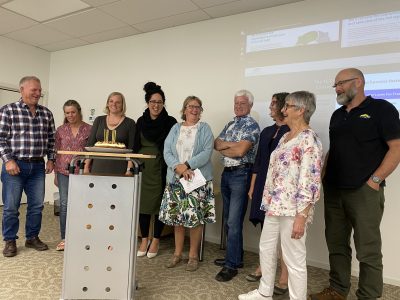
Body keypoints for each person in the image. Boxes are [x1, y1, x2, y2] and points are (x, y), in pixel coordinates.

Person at [309, 68, 400, 300]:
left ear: (358, 82)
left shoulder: (382, 109)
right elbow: (335, 150)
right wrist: (320, 177)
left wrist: (375, 181)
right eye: (335, 85)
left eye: (340, 83)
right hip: (334, 189)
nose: (337, 88)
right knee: (337, 244)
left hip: (364, 191)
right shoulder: (338, 115)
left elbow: (396, 147)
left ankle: (368, 296)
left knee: (367, 249)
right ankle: (338, 290)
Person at [239, 91, 323, 300]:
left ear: (301, 110)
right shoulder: (286, 136)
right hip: (274, 205)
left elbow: (310, 181)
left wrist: (302, 217)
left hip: (293, 210)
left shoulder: (309, 140)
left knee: (294, 258)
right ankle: (264, 292)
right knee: (266, 248)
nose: (283, 110)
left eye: (288, 106)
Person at [0, 76, 56, 257]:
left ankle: (32, 237)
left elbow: (51, 140)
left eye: (39, 90)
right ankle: (10, 240)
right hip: (15, 166)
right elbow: (0, 138)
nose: (38, 93)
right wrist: (8, 160)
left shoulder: (46, 113)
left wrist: (51, 159)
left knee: (36, 206)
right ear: (21, 90)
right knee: (10, 207)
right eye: (34, 90)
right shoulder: (8, 111)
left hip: (38, 166)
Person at [159, 96, 215, 272]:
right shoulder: (175, 128)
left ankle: (192, 256)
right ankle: (177, 254)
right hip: (176, 179)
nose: (194, 109)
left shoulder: (204, 128)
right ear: (184, 109)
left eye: (198, 107)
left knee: (195, 220)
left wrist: (188, 166)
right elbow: (167, 151)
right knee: (177, 220)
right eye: (190, 106)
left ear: (201, 111)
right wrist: (179, 168)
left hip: (196, 181)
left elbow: (207, 152)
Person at [214, 90, 260, 282]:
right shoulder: (230, 123)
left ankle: (231, 266)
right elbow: (216, 144)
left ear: (250, 105)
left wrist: (229, 146)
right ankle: (236, 258)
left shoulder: (252, 125)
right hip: (227, 174)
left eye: (242, 103)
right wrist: (230, 146)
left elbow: (241, 151)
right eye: (236, 103)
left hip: (242, 174)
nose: (238, 106)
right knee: (228, 220)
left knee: (233, 221)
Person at [246, 93, 289, 296]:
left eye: (273, 103)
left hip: (281, 188)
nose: (270, 106)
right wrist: (253, 187)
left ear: (282, 106)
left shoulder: (292, 131)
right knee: (267, 230)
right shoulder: (267, 131)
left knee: (284, 235)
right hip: (263, 183)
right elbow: (259, 161)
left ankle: (284, 277)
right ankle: (265, 268)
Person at [134, 82, 177, 258]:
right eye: (153, 101)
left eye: (160, 102)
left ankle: (156, 240)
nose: (156, 105)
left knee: (161, 206)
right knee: (143, 206)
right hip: (143, 168)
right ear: (147, 103)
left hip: (162, 168)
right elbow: (135, 146)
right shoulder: (140, 121)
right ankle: (144, 239)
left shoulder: (171, 122)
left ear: (163, 103)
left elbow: (174, 148)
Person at [54, 100, 91, 251]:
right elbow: (56, 152)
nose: (70, 115)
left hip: (83, 172)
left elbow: (91, 151)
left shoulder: (89, 129)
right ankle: (65, 238)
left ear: (79, 111)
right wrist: (56, 174)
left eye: (73, 112)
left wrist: (88, 167)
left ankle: (81, 236)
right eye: (67, 112)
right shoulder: (60, 130)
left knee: (83, 204)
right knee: (64, 204)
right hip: (63, 171)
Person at [84, 92, 136, 175]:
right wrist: (86, 167)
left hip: (120, 167)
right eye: (111, 101)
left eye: (118, 102)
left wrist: (129, 170)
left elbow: (132, 148)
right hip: (98, 166)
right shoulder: (99, 120)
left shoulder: (130, 123)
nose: (114, 104)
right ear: (107, 103)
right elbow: (90, 144)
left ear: (122, 105)